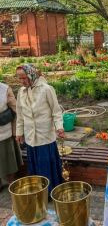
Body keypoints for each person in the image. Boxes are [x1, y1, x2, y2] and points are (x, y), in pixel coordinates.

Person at [15, 64, 64, 193]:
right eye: (19, 78)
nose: (22, 81)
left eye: (24, 78)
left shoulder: (46, 89)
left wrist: (59, 127)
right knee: (35, 166)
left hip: (45, 136)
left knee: (46, 165)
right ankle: (39, 192)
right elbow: (20, 114)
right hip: (30, 136)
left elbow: (56, 111)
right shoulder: (21, 92)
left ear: (31, 74)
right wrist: (19, 132)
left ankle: (50, 192)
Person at [0, 82, 22, 190]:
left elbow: (16, 109)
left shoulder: (4, 89)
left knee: (10, 161)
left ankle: (11, 183)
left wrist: (16, 131)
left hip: (4, 132)